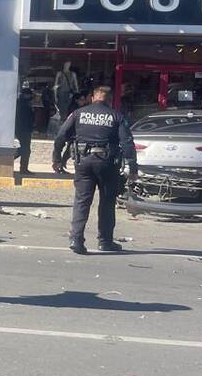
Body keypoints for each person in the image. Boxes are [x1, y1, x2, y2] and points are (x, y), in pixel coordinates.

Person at [52, 85, 138, 255]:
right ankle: (105, 241)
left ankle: (76, 239)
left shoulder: (78, 113)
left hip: (83, 162)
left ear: (93, 98)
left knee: (82, 201)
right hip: (107, 164)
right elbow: (127, 143)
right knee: (107, 202)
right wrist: (133, 167)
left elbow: (61, 135)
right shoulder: (116, 116)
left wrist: (56, 158)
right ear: (110, 100)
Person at [15, 83, 36, 175]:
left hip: (24, 129)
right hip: (23, 130)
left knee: (26, 149)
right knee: (26, 149)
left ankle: (23, 168)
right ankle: (22, 168)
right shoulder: (23, 104)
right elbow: (24, 118)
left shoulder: (22, 103)